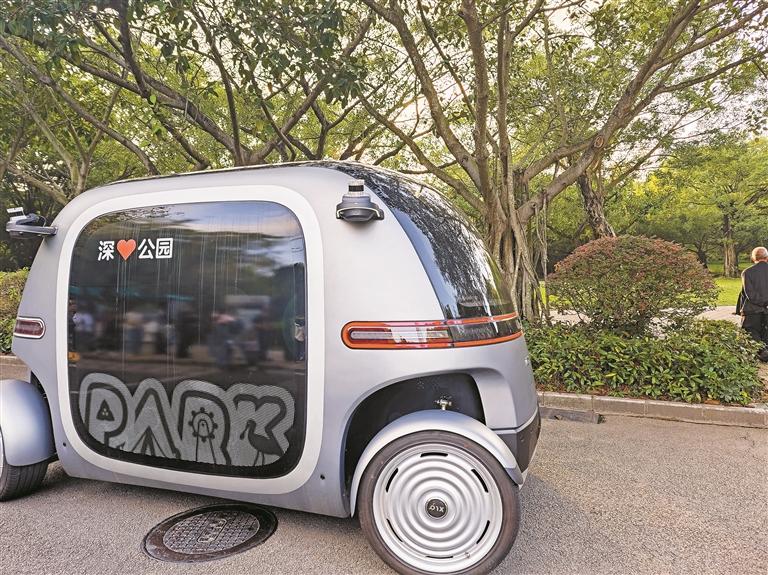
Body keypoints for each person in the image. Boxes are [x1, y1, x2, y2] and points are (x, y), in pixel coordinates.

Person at [741, 246, 768, 362]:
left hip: (753, 309)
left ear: (753, 258)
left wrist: (762, 303)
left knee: (751, 331)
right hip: (765, 308)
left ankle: (762, 353)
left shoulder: (747, 272)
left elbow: (750, 294)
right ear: (767, 257)